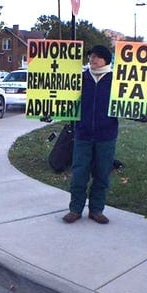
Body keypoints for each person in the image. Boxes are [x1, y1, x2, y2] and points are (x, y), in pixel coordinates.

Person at [62, 44, 119, 225]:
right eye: (91, 56)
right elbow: (63, 99)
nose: (92, 59)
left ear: (106, 60)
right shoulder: (81, 78)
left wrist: (142, 116)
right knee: (79, 173)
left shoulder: (116, 80)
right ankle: (75, 209)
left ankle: (96, 210)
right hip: (83, 134)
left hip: (106, 135)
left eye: (96, 57)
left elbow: (130, 103)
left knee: (102, 174)